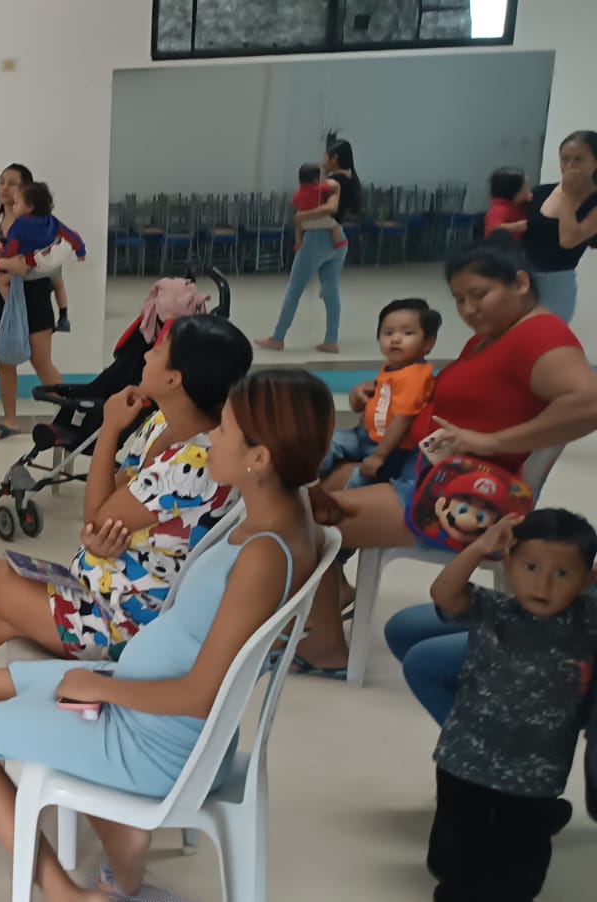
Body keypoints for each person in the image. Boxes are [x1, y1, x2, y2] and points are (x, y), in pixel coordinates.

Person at [0, 369, 332, 902]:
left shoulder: (264, 555)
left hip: (155, 740)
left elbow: (200, 696)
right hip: (142, 700)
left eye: (225, 429)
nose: (211, 436)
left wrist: (100, 688)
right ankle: (116, 831)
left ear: (259, 459)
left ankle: (63, 891)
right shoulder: (282, 513)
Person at [0, 315, 253, 823]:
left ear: (174, 379)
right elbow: (113, 501)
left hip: (120, 622)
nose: (146, 353)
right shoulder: (163, 427)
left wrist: (109, 428)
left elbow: (97, 512)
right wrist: (101, 526)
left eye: (158, 349)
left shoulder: (194, 462)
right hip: (100, 585)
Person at [295, 237, 597, 678]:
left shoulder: (537, 334)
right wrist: (377, 393)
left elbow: (588, 403)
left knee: (303, 518)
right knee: (318, 483)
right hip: (424, 474)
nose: (468, 309)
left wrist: (493, 442)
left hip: (459, 498)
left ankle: (327, 650)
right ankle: (335, 589)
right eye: (459, 299)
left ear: (520, 283)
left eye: (479, 294)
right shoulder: (493, 336)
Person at [425, 508, 597, 902]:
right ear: (508, 562)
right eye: (530, 567)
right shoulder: (492, 609)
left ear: (588, 580)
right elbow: (443, 594)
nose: (543, 583)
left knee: (520, 865)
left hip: (536, 774)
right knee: (452, 852)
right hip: (465, 762)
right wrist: (478, 548)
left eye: (563, 574)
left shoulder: (588, 621)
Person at [0, 163, 77, 440]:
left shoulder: (42, 222)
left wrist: (28, 265)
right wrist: (7, 264)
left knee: (41, 361)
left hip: (34, 292)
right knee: (5, 359)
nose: (4, 187)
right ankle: (10, 421)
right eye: (1, 181)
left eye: (12, 183)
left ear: (26, 190)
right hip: (0, 291)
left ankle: (72, 416)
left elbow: (57, 254)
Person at [319, 298, 439, 491]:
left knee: (359, 480)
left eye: (407, 333)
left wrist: (379, 456)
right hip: (364, 435)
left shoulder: (415, 376)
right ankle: (303, 480)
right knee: (327, 442)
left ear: (428, 343)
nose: (396, 339)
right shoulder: (392, 368)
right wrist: (357, 397)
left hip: (390, 448)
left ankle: (339, 504)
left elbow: (402, 420)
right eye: (388, 333)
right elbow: (365, 406)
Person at [256, 134, 361, 354]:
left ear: (335, 158)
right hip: (337, 239)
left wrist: (301, 217)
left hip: (318, 238)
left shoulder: (333, 182)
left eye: (326, 156)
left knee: (294, 288)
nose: (323, 161)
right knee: (331, 290)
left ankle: (277, 337)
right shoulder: (351, 179)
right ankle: (331, 339)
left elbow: (326, 208)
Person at [521, 130, 597, 323]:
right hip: (520, 277)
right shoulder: (541, 192)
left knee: (545, 337)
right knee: (514, 336)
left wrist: (568, 196)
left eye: (579, 159)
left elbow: (568, 240)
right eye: (565, 159)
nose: (570, 166)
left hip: (555, 283)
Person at [0, 181, 87, 303]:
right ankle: (63, 311)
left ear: (29, 207)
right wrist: (81, 252)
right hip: (48, 263)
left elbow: (12, 248)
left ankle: (14, 306)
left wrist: (4, 261)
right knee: (58, 284)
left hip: (29, 265)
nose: (12, 207)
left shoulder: (19, 224)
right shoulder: (51, 220)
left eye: (16, 203)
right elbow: (71, 235)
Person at [292, 162, 348, 251]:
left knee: (298, 229)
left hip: (305, 222)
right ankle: (337, 242)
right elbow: (332, 188)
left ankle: (298, 244)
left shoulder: (298, 193)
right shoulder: (320, 188)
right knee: (335, 226)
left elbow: (295, 202)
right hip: (320, 220)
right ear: (316, 179)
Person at [485, 166, 532, 239]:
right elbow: (493, 229)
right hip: (500, 245)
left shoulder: (519, 203)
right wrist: (516, 226)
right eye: (526, 188)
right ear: (515, 192)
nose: (529, 191)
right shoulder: (499, 210)